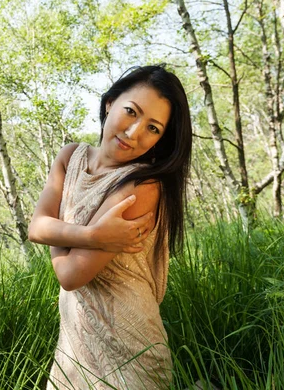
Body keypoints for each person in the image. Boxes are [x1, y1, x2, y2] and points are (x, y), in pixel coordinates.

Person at [28, 65, 192, 389]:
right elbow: (35, 227)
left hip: (128, 346)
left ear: (162, 139)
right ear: (110, 102)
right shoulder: (69, 157)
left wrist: (55, 229)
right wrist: (92, 235)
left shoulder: (142, 184)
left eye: (153, 128)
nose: (134, 133)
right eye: (131, 111)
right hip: (74, 344)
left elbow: (70, 274)